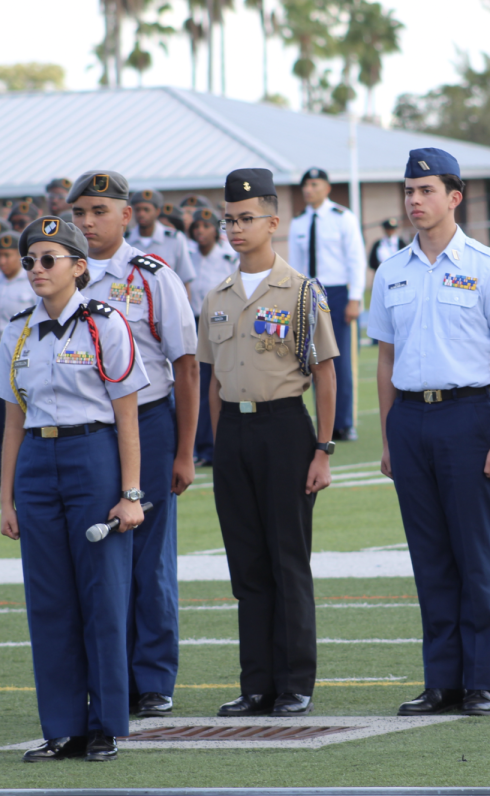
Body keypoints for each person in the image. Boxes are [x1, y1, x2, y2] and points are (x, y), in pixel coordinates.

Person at [367, 148, 490, 718]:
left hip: (468, 417)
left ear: (454, 197)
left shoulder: (488, 265)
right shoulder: (391, 271)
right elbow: (385, 362)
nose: (414, 201)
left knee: (474, 553)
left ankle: (480, 679)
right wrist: (388, 438)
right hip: (410, 420)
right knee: (430, 556)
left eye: (426, 190)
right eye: (408, 191)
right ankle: (442, 681)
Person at [0, 217, 148, 763]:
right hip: (36, 460)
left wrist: (131, 493)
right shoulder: (17, 330)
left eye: (48, 259)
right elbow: (12, 421)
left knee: (102, 596)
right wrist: (6, 498)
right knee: (49, 600)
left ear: (79, 267)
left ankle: (105, 724)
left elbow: (128, 415)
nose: (35, 268)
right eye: (29, 259)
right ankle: (64, 726)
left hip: (92, 456)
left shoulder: (107, 323)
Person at [196, 167, 338, 718]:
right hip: (234, 432)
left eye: (245, 218)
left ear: (273, 222)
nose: (234, 228)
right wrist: (218, 444)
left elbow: (325, 372)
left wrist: (322, 449)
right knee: (247, 565)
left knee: (287, 561)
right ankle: (256, 684)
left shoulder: (301, 292)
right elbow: (211, 379)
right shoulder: (218, 295)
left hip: (284, 429)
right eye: (227, 219)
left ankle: (294, 683)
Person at [73, 170, 200, 719]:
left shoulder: (152, 276)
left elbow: (187, 366)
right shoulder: (61, 273)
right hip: (88, 427)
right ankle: (110, 674)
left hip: (147, 423)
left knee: (147, 558)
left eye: (99, 211)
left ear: (126, 215)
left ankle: (151, 678)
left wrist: (184, 451)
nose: (87, 222)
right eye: (79, 212)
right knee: (98, 556)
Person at [288, 167, 367, 442]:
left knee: (341, 359)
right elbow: (295, 267)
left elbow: (356, 259)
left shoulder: (343, 218)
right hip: (308, 293)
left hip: (337, 293)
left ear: (327, 187)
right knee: (313, 359)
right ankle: (324, 422)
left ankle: (344, 423)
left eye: (314, 184)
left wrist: (355, 298)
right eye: (305, 185)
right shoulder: (298, 222)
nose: (308, 189)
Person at [0, 231, 35, 488]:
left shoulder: (31, 283)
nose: (1, 261)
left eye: (7, 255)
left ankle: (19, 469)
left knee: (17, 413)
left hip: (21, 352)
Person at [187, 207, 239, 467]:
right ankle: (197, 447)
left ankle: (212, 446)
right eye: (196, 227)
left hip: (221, 323)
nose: (200, 232)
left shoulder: (229, 258)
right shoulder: (188, 257)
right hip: (195, 322)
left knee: (217, 384)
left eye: (205, 226)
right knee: (197, 384)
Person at [128, 189, 197, 290]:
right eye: (138, 210)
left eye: (146, 210)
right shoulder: (126, 239)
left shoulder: (174, 239)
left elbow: (185, 281)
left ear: (157, 211)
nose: (141, 214)